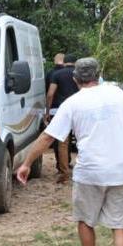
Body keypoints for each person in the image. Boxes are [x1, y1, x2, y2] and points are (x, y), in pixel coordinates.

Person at [17, 57, 123, 246]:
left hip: (90, 173)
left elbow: (47, 137)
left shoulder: (72, 103)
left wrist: (26, 163)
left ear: (76, 80)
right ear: (100, 74)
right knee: (118, 225)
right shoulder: (117, 95)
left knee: (85, 220)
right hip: (119, 171)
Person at [45, 54, 78, 183]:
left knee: (62, 142)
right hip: (78, 109)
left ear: (64, 62)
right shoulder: (78, 74)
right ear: (75, 62)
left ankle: (64, 172)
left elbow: (50, 94)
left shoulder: (57, 75)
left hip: (60, 110)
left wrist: (47, 111)